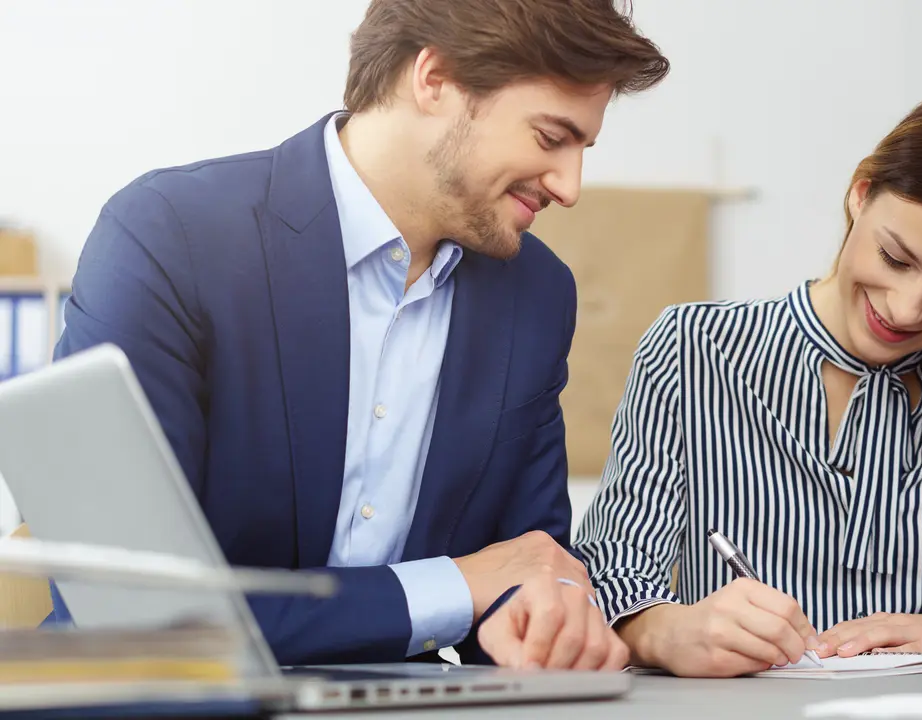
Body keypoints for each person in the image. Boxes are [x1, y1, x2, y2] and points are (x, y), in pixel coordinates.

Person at [48, 0, 667, 670]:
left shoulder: (537, 294)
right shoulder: (169, 236)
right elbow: (128, 609)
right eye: (551, 138)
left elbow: (529, 576)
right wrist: (455, 585)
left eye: (584, 148)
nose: (570, 187)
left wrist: (571, 623)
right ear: (434, 79)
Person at [575, 90, 922, 678]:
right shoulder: (693, 349)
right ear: (860, 195)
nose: (907, 309)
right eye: (896, 258)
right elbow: (612, 572)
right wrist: (665, 629)